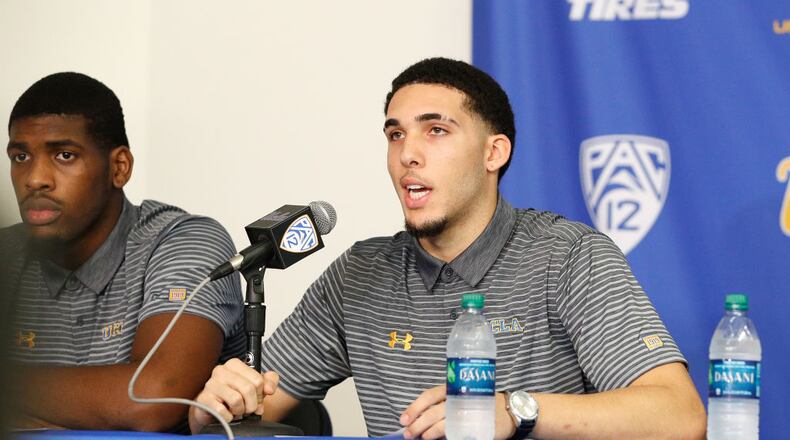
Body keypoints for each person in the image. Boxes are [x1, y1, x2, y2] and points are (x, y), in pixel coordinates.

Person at [189, 58, 706, 439]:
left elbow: (679, 417)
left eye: (435, 131)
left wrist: (515, 411)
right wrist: (216, 406)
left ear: (493, 152)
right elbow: (258, 409)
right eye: (395, 135)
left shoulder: (569, 256)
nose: (407, 154)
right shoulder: (360, 274)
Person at [1, 72, 245, 432]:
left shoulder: (184, 241)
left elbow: (152, 400)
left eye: (64, 155)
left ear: (119, 167)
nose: (35, 178)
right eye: (20, 156)